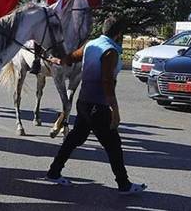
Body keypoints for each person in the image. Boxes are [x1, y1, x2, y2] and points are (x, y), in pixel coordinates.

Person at [45, 15, 146, 194]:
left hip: (84, 102)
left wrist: (58, 60)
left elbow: (71, 57)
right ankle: (124, 184)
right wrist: (115, 110)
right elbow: (107, 82)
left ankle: (54, 172)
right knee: (113, 144)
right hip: (97, 105)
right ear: (119, 33)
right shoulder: (110, 51)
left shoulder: (92, 44)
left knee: (76, 138)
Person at [26, 0, 77, 74]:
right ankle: (37, 61)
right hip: (50, 18)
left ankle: (73, 59)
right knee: (39, 33)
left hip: (65, 19)